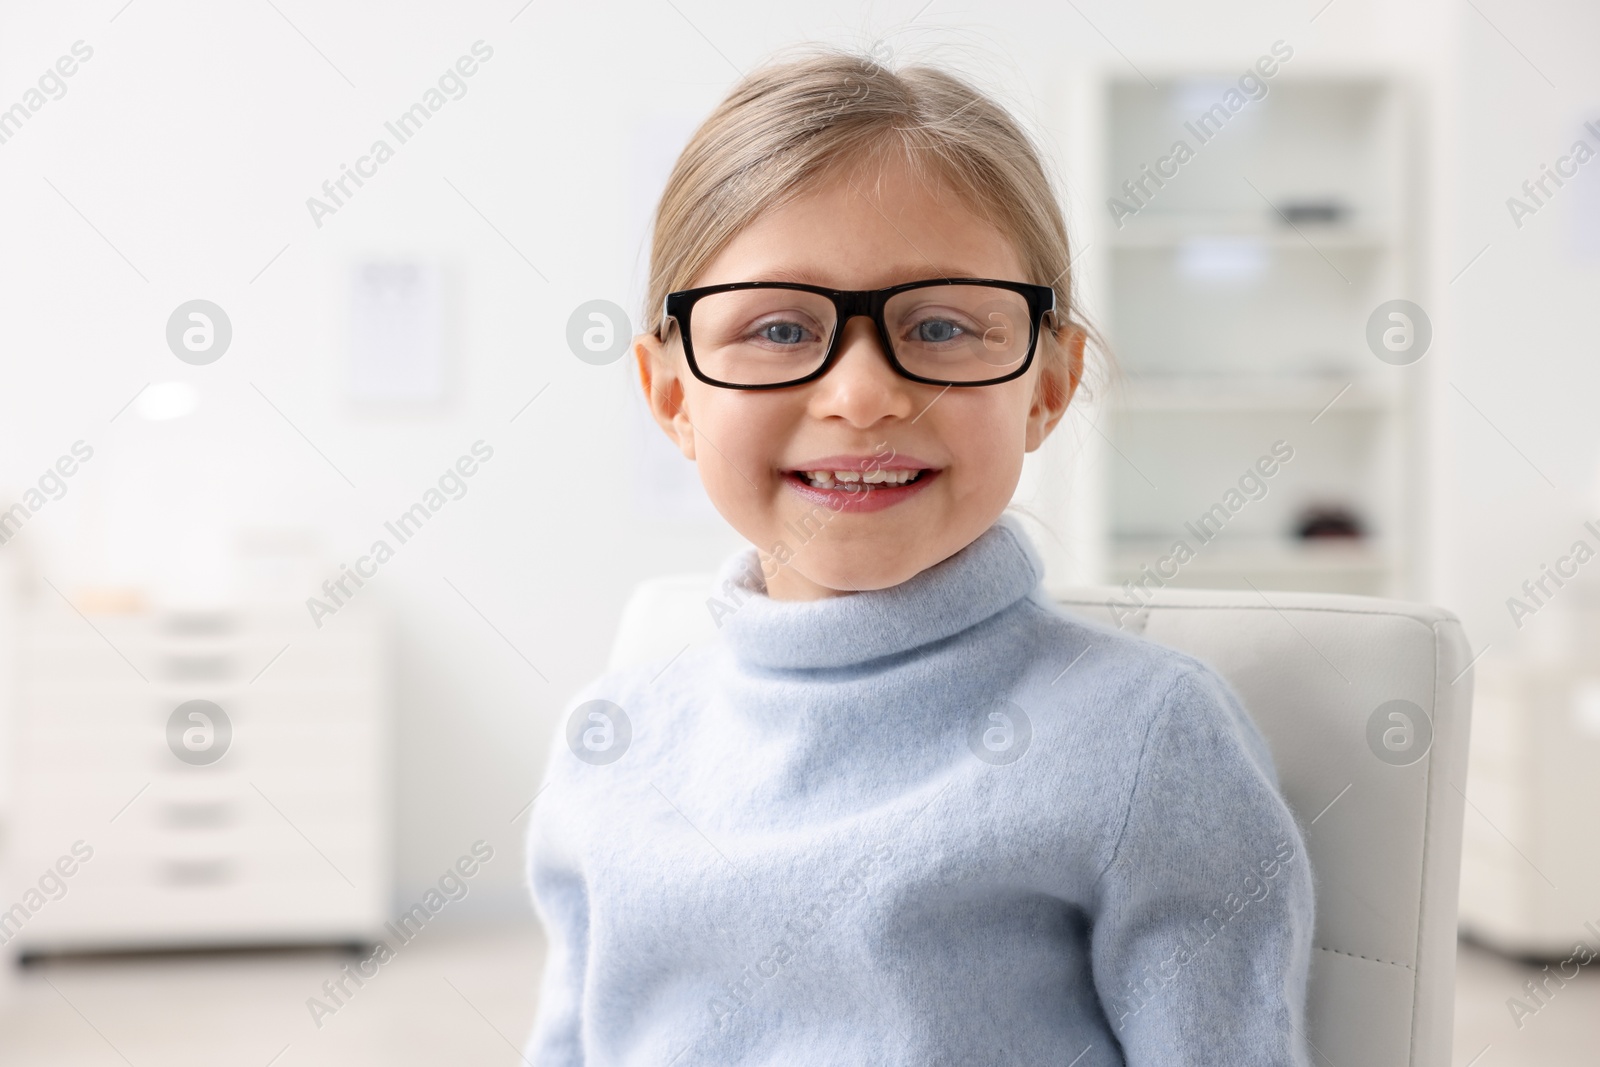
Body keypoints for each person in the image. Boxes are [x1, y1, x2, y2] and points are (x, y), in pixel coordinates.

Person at [525, 45, 1313, 1065]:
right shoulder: (610, 740)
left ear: (1046, 385)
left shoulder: (1148, 738)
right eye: (776, 326)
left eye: (940, 324)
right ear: (673, 396)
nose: (860, 395)